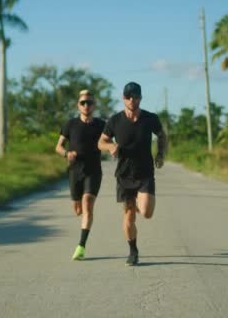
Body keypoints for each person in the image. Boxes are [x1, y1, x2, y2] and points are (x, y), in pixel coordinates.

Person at [98, 82, 167, 266]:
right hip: (124, 175)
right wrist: (110, 146)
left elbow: (161, 135)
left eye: (135, 97)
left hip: (145, 173)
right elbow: (101, 142)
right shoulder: (114, 121)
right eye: (128, 97)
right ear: (123, 98)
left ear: (140, 98)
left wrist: (160, 153)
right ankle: (133, 251)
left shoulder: (150, 118)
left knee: (146, 213)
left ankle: (140, 201)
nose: (132, 100)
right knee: (129, 216)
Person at [55, 89, 106, 261]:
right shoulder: (70, 124)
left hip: (93, 171)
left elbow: (109, 142)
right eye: (83, 103)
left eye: (89, 103)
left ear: (94, 105)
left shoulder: (101, 125)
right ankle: (82, 224)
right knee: (78, 209)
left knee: (87, 204)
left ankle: (81, 246)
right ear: (78, 105)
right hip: (75, 171)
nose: (86, 105)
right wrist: (66, 154)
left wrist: (111, 148)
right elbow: (59, 146)